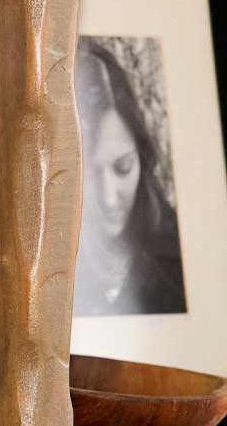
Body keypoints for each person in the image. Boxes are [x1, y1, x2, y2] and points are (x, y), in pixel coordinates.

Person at [73, 39, 186, 316]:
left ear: (142, 155)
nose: (110, 199)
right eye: (88, 175)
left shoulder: (181, 255)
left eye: (123, 167)